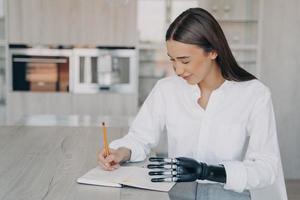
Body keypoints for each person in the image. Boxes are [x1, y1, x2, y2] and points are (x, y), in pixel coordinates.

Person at [97, 7, 287, 199]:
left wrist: (207, 171)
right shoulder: (167, 89)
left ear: (212, 51)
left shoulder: (254, 94)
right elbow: (139, 137)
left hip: (231, 194)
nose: (178, 70)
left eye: (185, 60)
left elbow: (266, 167)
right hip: (179, 193)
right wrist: (120, 152)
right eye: (173, 60)